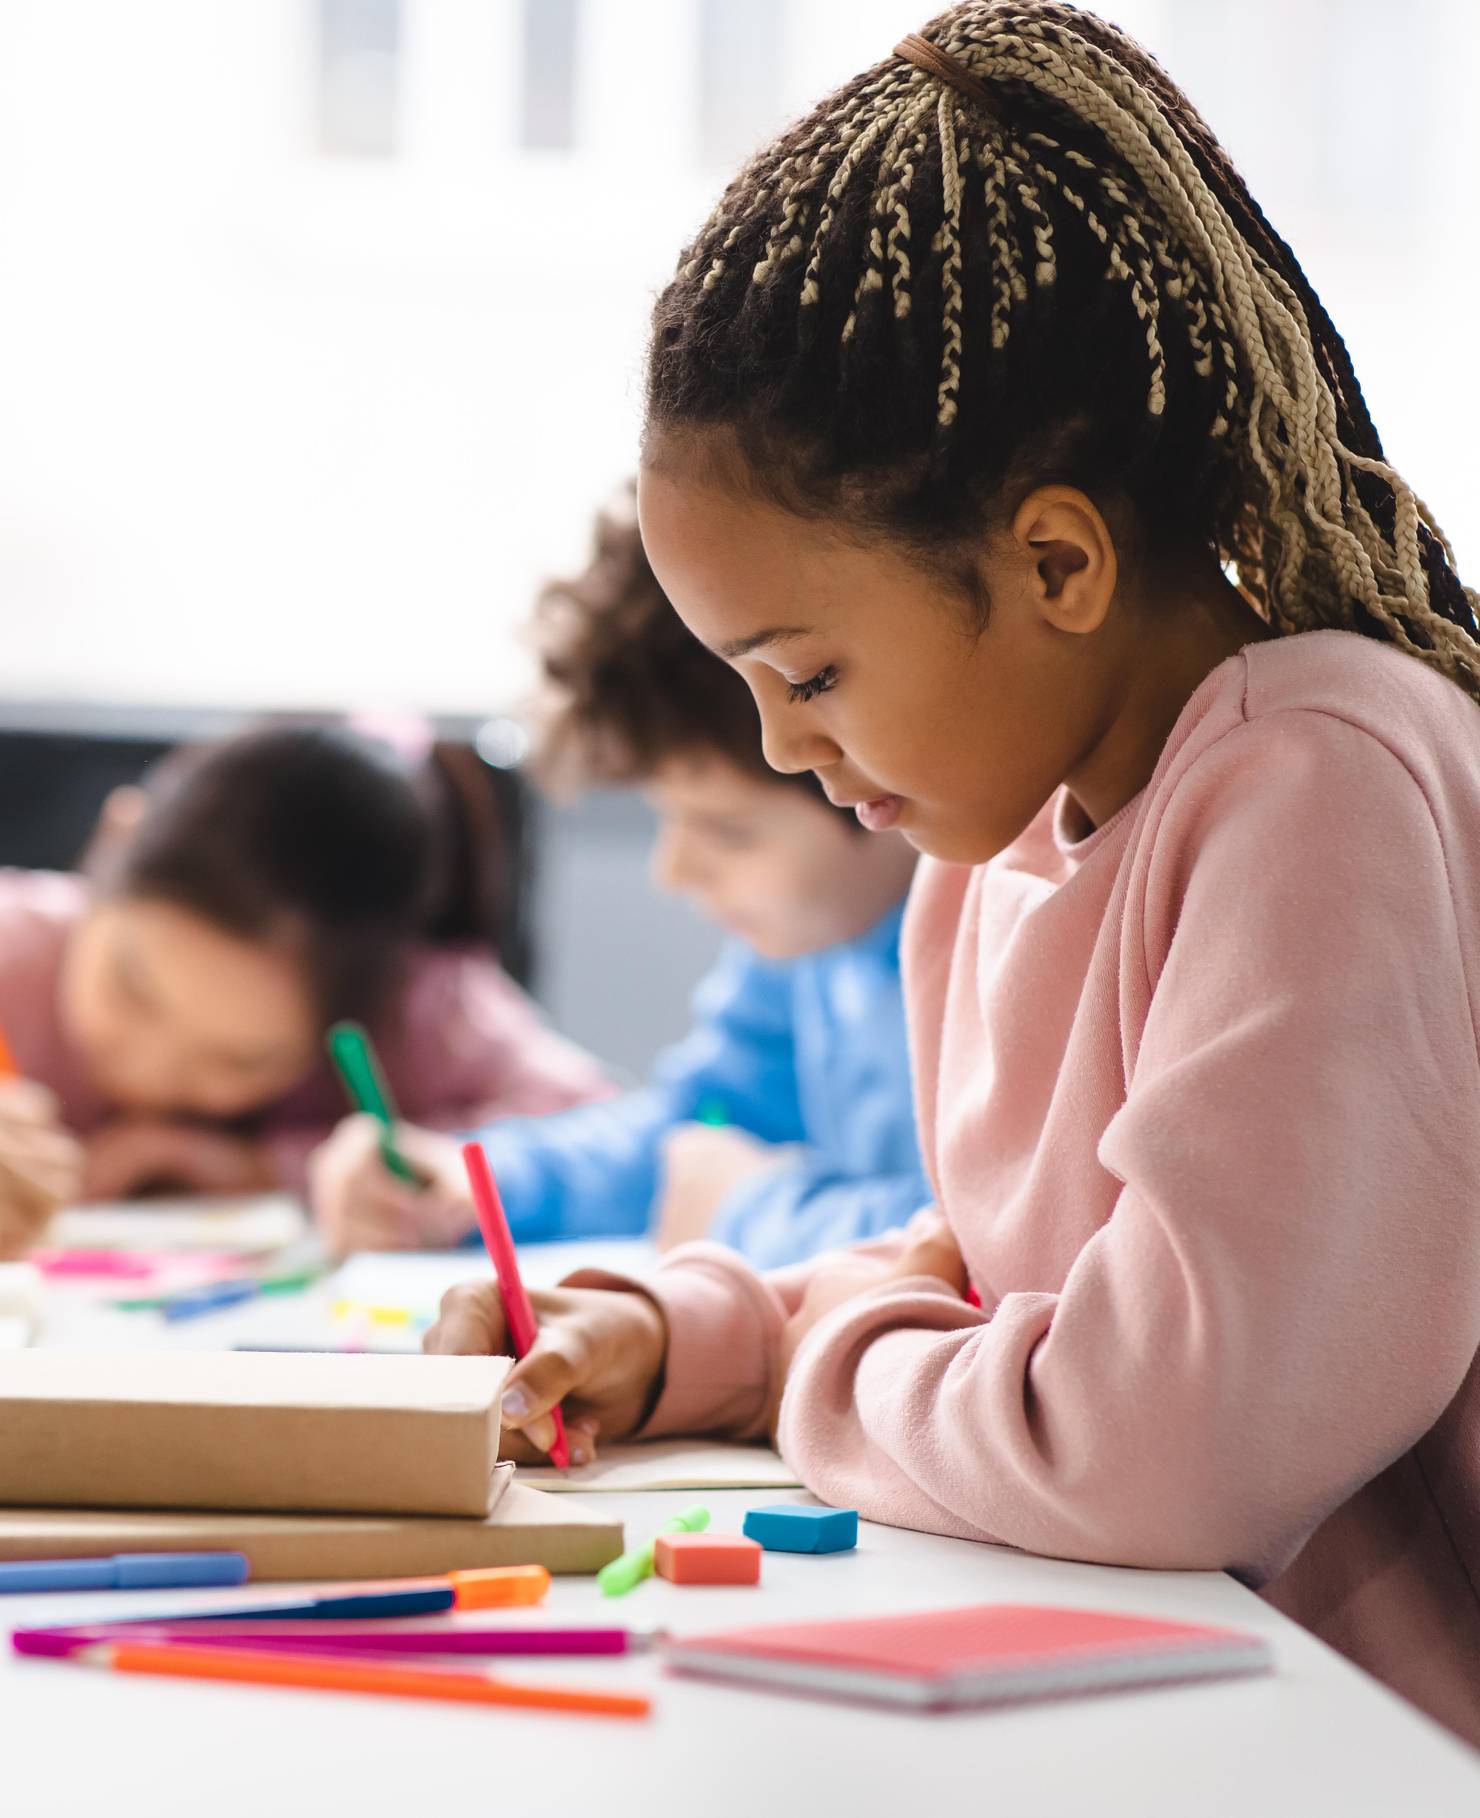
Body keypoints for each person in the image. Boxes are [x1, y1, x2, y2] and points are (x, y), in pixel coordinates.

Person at [426, 3, 1480, 1747]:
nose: (780, 751)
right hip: (1210, 1711)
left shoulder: (1323, 778)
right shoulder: (1007, 829)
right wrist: (711, 1336)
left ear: (1055, 558)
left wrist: (816, 1369)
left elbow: (1163, 1441)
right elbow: (1012, 1290)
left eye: (811, 674)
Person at [311, 487, 926, 1265]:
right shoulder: (806, 954)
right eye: (667, 817)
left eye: (726, 831)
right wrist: (480, 1183)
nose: (671, 871)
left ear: (877, 784)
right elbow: (694, 1134)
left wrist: (744, 1209)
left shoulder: (1000, 950)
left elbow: (999, 1238)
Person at [0, 722, 609, 1257]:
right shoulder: (13, 945)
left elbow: (606, 1130)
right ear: (115, 839)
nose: (149, 1071)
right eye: (131, 989)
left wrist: (269, 1167)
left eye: (241, 1060)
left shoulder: (419, 1014)